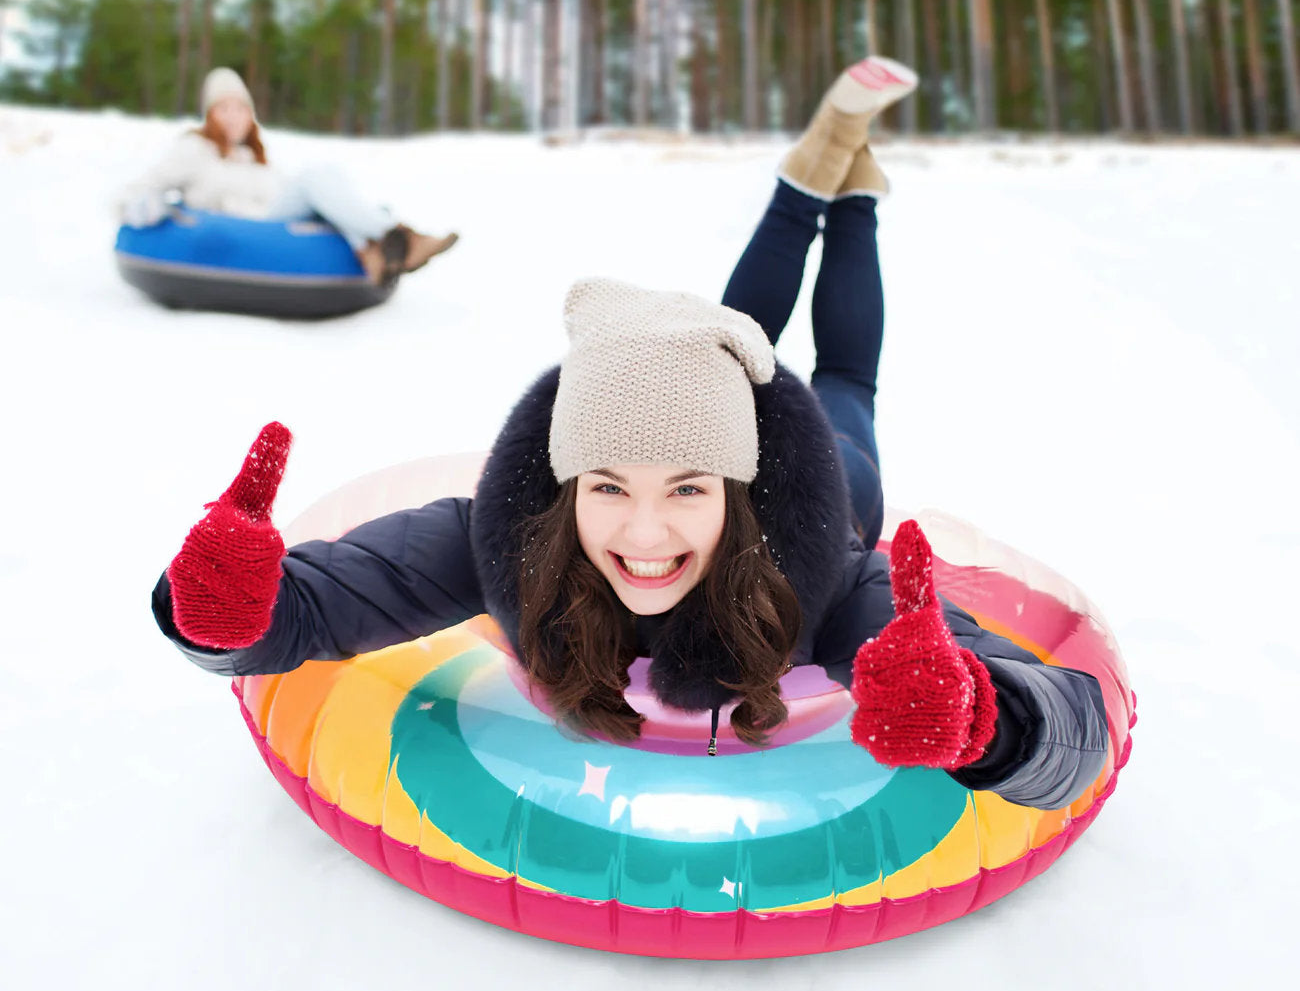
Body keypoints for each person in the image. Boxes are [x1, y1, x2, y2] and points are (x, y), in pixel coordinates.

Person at [151, 59, 1108, 810]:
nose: (645, 537)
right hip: (712, 424)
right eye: (609, 487)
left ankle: (845, 199)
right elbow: (314, 608)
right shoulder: (495, 538)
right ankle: (830, 164)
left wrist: (989, 719)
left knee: (838, 375)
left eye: (689, 489)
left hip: (834, 477)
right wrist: (219, 614)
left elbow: (1073, 723)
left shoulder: (830, 579)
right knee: (740, 343)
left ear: (734, 494)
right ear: (565, 485)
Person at [118, 67, 459, 285]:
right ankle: (400, 239)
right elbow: (137, 190)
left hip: (274, 223)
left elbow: (285, 194)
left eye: (241, 109)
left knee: (325, 177)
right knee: (313, 177)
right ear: (210, 115)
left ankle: (375, 252)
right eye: (223, 109)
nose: (233, 117)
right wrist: (145, 207)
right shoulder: (194, 149)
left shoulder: (255, 157)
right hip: (242, 227)